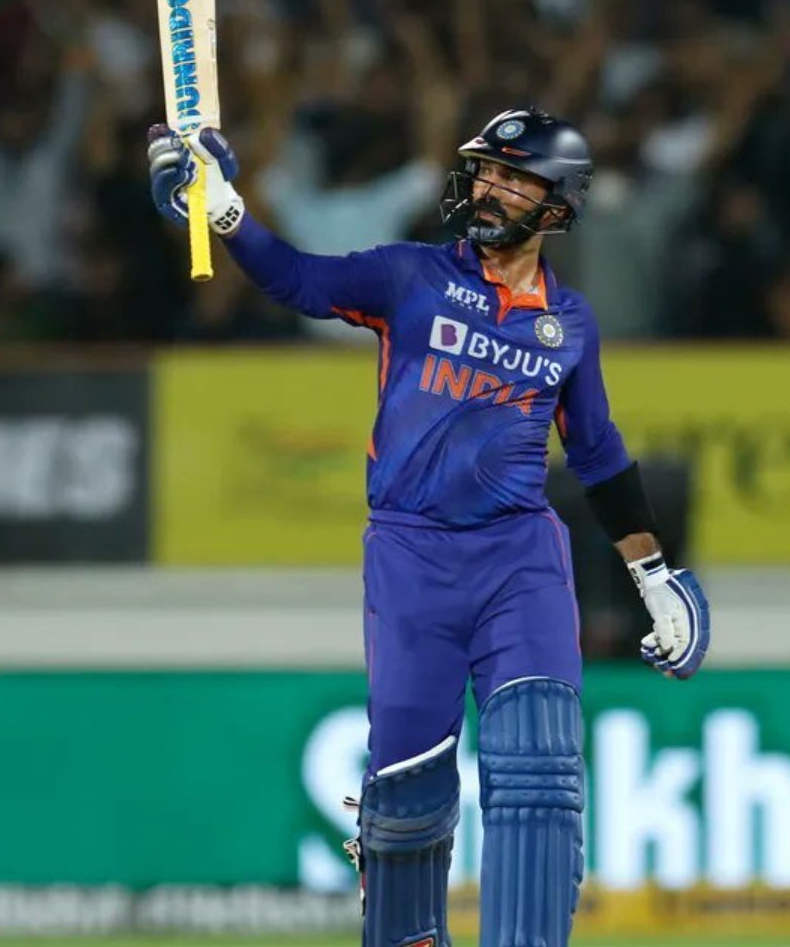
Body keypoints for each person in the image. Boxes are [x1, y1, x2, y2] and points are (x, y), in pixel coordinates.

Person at [147, 110, 712, 947]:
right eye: (485, 171)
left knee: (538, 778)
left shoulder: (570, 327)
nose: (488, 188)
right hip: (411, 559)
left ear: (556, 206)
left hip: (521, 558)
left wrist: (654, 576)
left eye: (513, 177)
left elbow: (597, 454)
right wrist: (227, 210)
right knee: (407, 799)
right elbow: (300, 281)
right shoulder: (409, 277)